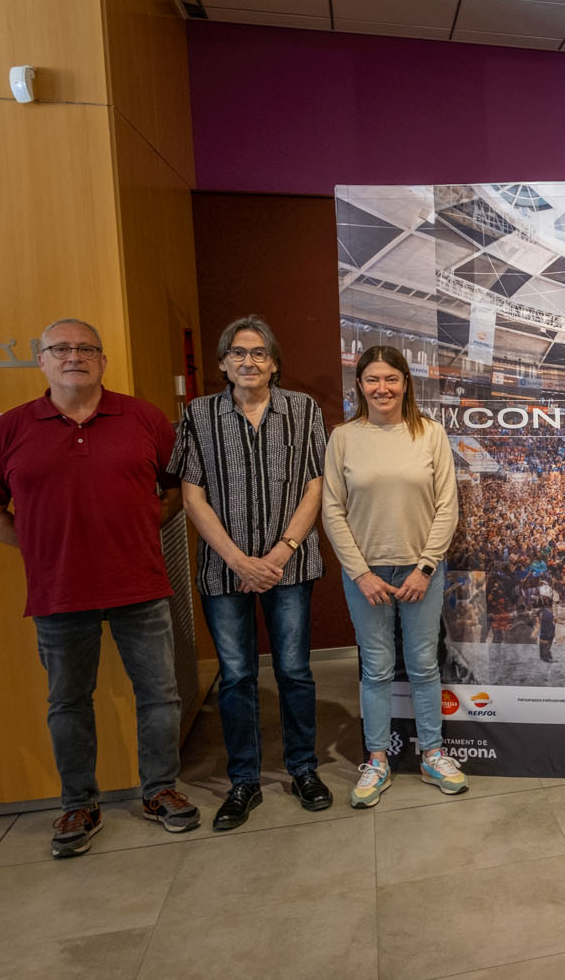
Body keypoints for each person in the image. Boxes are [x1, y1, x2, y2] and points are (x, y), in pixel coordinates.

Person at [0, 319, 200, 856]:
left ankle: (159, 790)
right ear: (42, 360)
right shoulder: (10, 429)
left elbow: (177, 492)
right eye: (61, 349)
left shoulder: (143, 418)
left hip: (140, 585)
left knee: (160, 695)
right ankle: (79, 804)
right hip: (59, 593)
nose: (74, 357)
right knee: (68, 701)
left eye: (86, 349)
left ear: (102, 360)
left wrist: (139, 530)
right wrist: (42, 549)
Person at [168, 316, 332, 830]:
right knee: (237, 676)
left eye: (259, 353)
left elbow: (316, 485)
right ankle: (244, 780)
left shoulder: (303, 410)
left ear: (274, 363)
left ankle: (303, 769)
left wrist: (280, 553)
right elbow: (191, 496)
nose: (249, 362)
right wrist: (239, 560)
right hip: (225, 571)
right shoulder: (198, 415)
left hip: (290, 566)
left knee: (294, 671)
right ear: (223, 363)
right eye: (238, 353)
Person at [322, 345, 467, 807]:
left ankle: (432, 754)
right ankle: (378, 759)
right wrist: (360, 573)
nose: (382, 388)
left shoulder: (431, 433)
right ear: (360, 385)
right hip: (365, 575)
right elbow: (332, 510)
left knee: (424, 665)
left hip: (420, 570)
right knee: (376, 668)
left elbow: (447, 506)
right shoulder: (343, 438)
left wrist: (425, 567)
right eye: (372, 379)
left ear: (406, 384)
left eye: (391, 379)